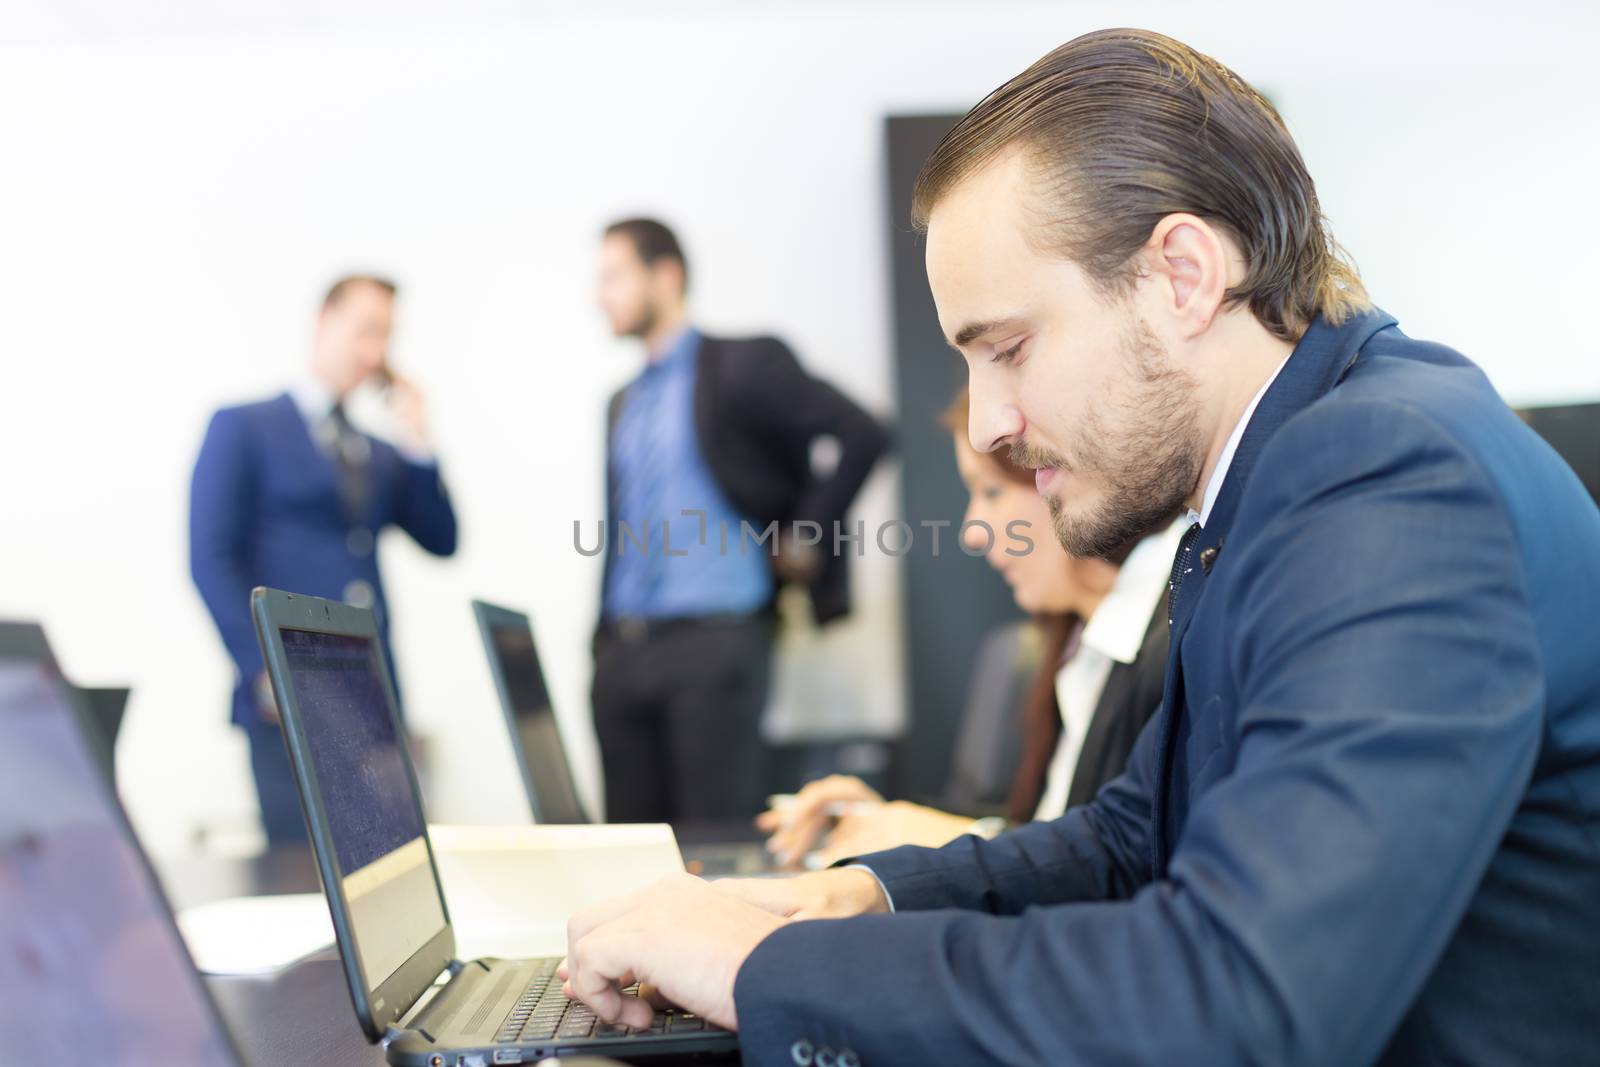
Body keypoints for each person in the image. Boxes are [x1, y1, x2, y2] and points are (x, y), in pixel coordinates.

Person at [557, 29, 1600, 1067]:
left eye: (1007, 349)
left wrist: (757, 967)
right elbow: (1128, 836)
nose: (985, 425)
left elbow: (1236, 999)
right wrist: (856, 894)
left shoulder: (1389, 479)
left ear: (1181, 276)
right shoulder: (1282, 472)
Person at [760, 388, 1180, 868]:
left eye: (993, 491)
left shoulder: (1173, 644)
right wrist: (891, 822)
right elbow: (1057, 830)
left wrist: (955, 838)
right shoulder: (1076, 645)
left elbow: (1121, 874)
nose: (972, 531)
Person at [592, 218, 889, 826]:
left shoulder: (740, 365)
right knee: (630, 850)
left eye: (614, 276)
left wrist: (806, 532)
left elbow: (864, 432)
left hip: (717, 643)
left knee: (717, 845)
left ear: (666, 276)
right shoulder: (622, 402)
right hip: (624, 653)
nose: (600, 294)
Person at [190, 275, 457, 846]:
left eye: (385, 336)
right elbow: (211, 558)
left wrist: (417, 441)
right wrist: (264, 673)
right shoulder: (244, 426)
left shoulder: (377, 452)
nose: (374, 353)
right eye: (365, 331)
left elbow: (442, 538)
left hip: (371, 694)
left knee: (387, 865)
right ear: (323, 323)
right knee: (300, 875)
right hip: (288, 693)